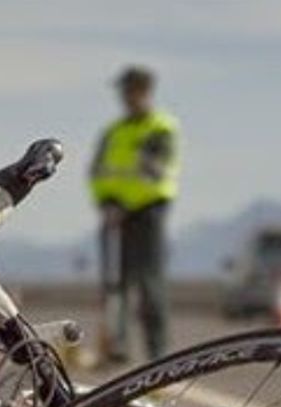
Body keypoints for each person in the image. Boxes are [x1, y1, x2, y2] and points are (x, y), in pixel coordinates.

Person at [89, 66, 180, 363]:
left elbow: (154, 171)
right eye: (124, 92)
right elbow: (97, 172)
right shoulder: (114, 132)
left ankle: (157, 352)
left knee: (149, 283)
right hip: (114, 214)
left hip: (147, 212)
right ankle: (117, 346)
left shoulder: (161, 128)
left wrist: (124, 204)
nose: (125, 97)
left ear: (144, 91)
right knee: (115, 283)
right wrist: (107, 202)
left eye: (130, 90)